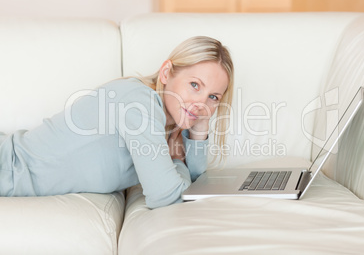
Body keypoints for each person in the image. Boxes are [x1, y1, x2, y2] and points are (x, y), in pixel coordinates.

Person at [0, 36, 234, 208]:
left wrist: (199, 130)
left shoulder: (170, 123)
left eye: (213, 97)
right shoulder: (139, 102)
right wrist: (176, 161)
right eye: (194, 85)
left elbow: (196, 179)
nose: (201, 103)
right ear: (166, 73)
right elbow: (164, 196)